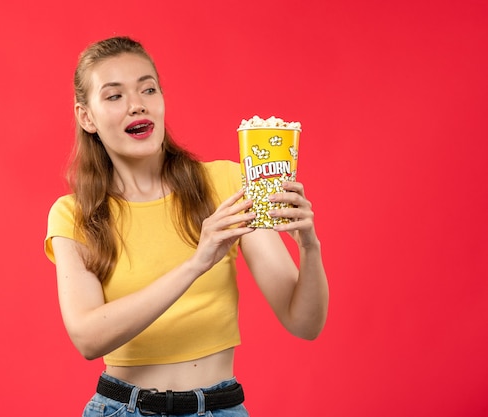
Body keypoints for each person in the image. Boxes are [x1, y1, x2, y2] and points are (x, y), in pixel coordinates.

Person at [44, 36, 329, 417]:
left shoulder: (227, 185)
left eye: (148, 89)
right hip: (122, 409)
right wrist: (198, 261)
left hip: (220, 408)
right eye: (114, 96)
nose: (137, 104)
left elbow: (304, 323)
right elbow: (87, 338)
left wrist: (310, 247)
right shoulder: (73, 214)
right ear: (87, 117)